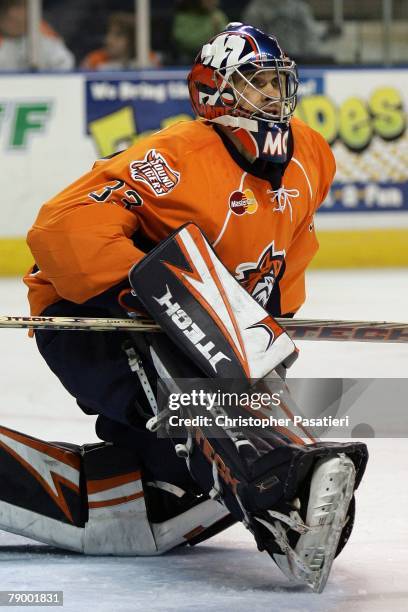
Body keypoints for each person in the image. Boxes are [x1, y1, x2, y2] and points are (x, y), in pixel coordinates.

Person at [1, 23, 368, 591]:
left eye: (277, 81)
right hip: (91, 322)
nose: (273, 95)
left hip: (203, 334)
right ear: (215, 92)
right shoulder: (175, 156)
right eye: (255, 83)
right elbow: (60, 227)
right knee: (194, 351)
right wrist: (148, 295)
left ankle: (191, 476)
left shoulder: (310, 155)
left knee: (186, 459)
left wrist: (272, 327)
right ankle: (279, 490)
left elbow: (290, 249)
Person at [0, 0, 74, 70]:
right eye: (6, 7)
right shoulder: (4, 45)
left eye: (20, 7)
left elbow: (66, 72)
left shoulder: (48, 46)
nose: (13, 14)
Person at [242, 0, 323, 62]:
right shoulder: (256, 9)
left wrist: (311, 59)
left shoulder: (300, 8)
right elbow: (252, 40)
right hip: (269, 62)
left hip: (301, 61)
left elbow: (311, 37)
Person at [81, 11, 160, 70]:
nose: (108, 40)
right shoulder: (94, 60)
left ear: (132, 40)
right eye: (109, 34)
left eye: (118, 35)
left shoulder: (147, 59)